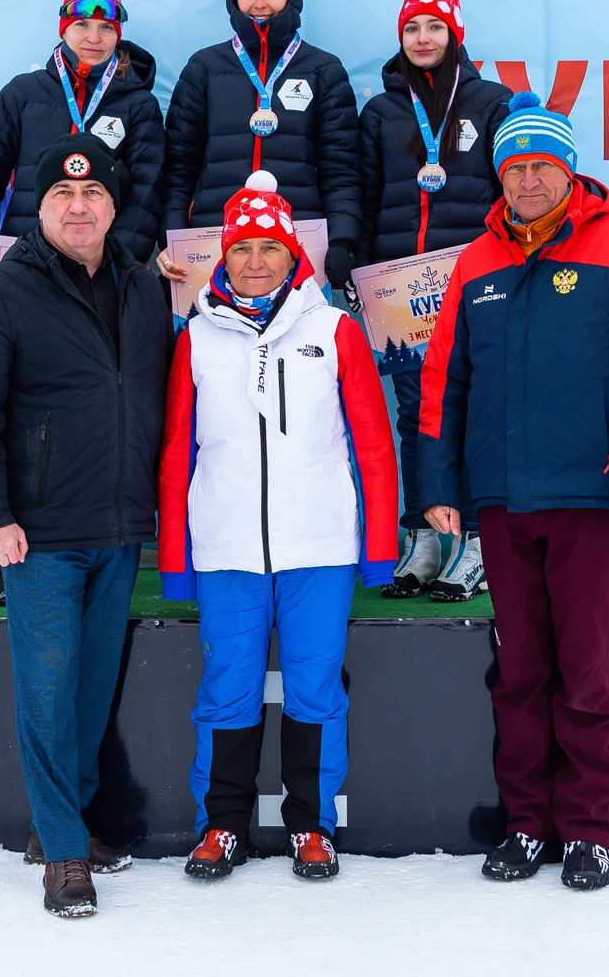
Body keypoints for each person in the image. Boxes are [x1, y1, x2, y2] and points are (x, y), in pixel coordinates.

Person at [416, 95, 609, 891]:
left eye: (543, 166)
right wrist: (440, 483)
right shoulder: (475, 262)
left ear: (569, 170)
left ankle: (586, 828)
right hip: (504, 503)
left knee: (585, 670)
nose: (530, 180)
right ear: (500, 176)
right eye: (516, 168)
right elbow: (445, 381)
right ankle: (527, 824)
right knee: (521, 673)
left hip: (595, 501)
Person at [0, 134, 173, 918]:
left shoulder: (146, 289)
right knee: (45, 689)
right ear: (39, 208)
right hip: (36, 534)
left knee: (89, 691)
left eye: (94, 195)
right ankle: (65, 856)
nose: (79, 208)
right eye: (63, 197)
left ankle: (60, 824)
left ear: (113, 205)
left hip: (118, 526)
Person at [157, 171, 398, 881]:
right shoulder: (195, 338)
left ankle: (312, 825)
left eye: (270, 247)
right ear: (222, 257)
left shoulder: (334, 330)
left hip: (318, 548)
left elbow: (373, 447)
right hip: (228, 548)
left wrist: (378, 549)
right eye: (242, 249)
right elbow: (176, 455)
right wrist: (177, 557)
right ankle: (221, 824)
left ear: (295, 255)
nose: (256, 261)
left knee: (315, 687)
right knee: (227, 686)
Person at [358, 0, 514, 602]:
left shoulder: (492, 102)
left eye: (434, 27)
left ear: (455, 35)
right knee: (413, 416)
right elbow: (365, 195)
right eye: (412, 28)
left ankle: (476, 539)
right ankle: (422, 533)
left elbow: (511, 192)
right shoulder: (381, 111)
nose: (423, 38)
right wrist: (361, 268)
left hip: (472, 286)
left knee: (473, 411)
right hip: (400, 290)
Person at [156, 0, 362, 299]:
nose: (260, 2)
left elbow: (340, 167)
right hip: (215, 240)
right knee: (214, 351)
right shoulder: (203, 68)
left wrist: (342, 239)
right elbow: (179, 166)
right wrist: (172, 234)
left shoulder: (323, 70)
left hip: (298, 242)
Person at [0, 0, 166, 269]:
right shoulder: (23, 93)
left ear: (117, 34)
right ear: (64, 29)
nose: (94, 38)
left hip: (102, 269)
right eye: (82, 25)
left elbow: (146, 195)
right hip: (24, 260)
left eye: (106, 27)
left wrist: (113, 263)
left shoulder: (138, 105)